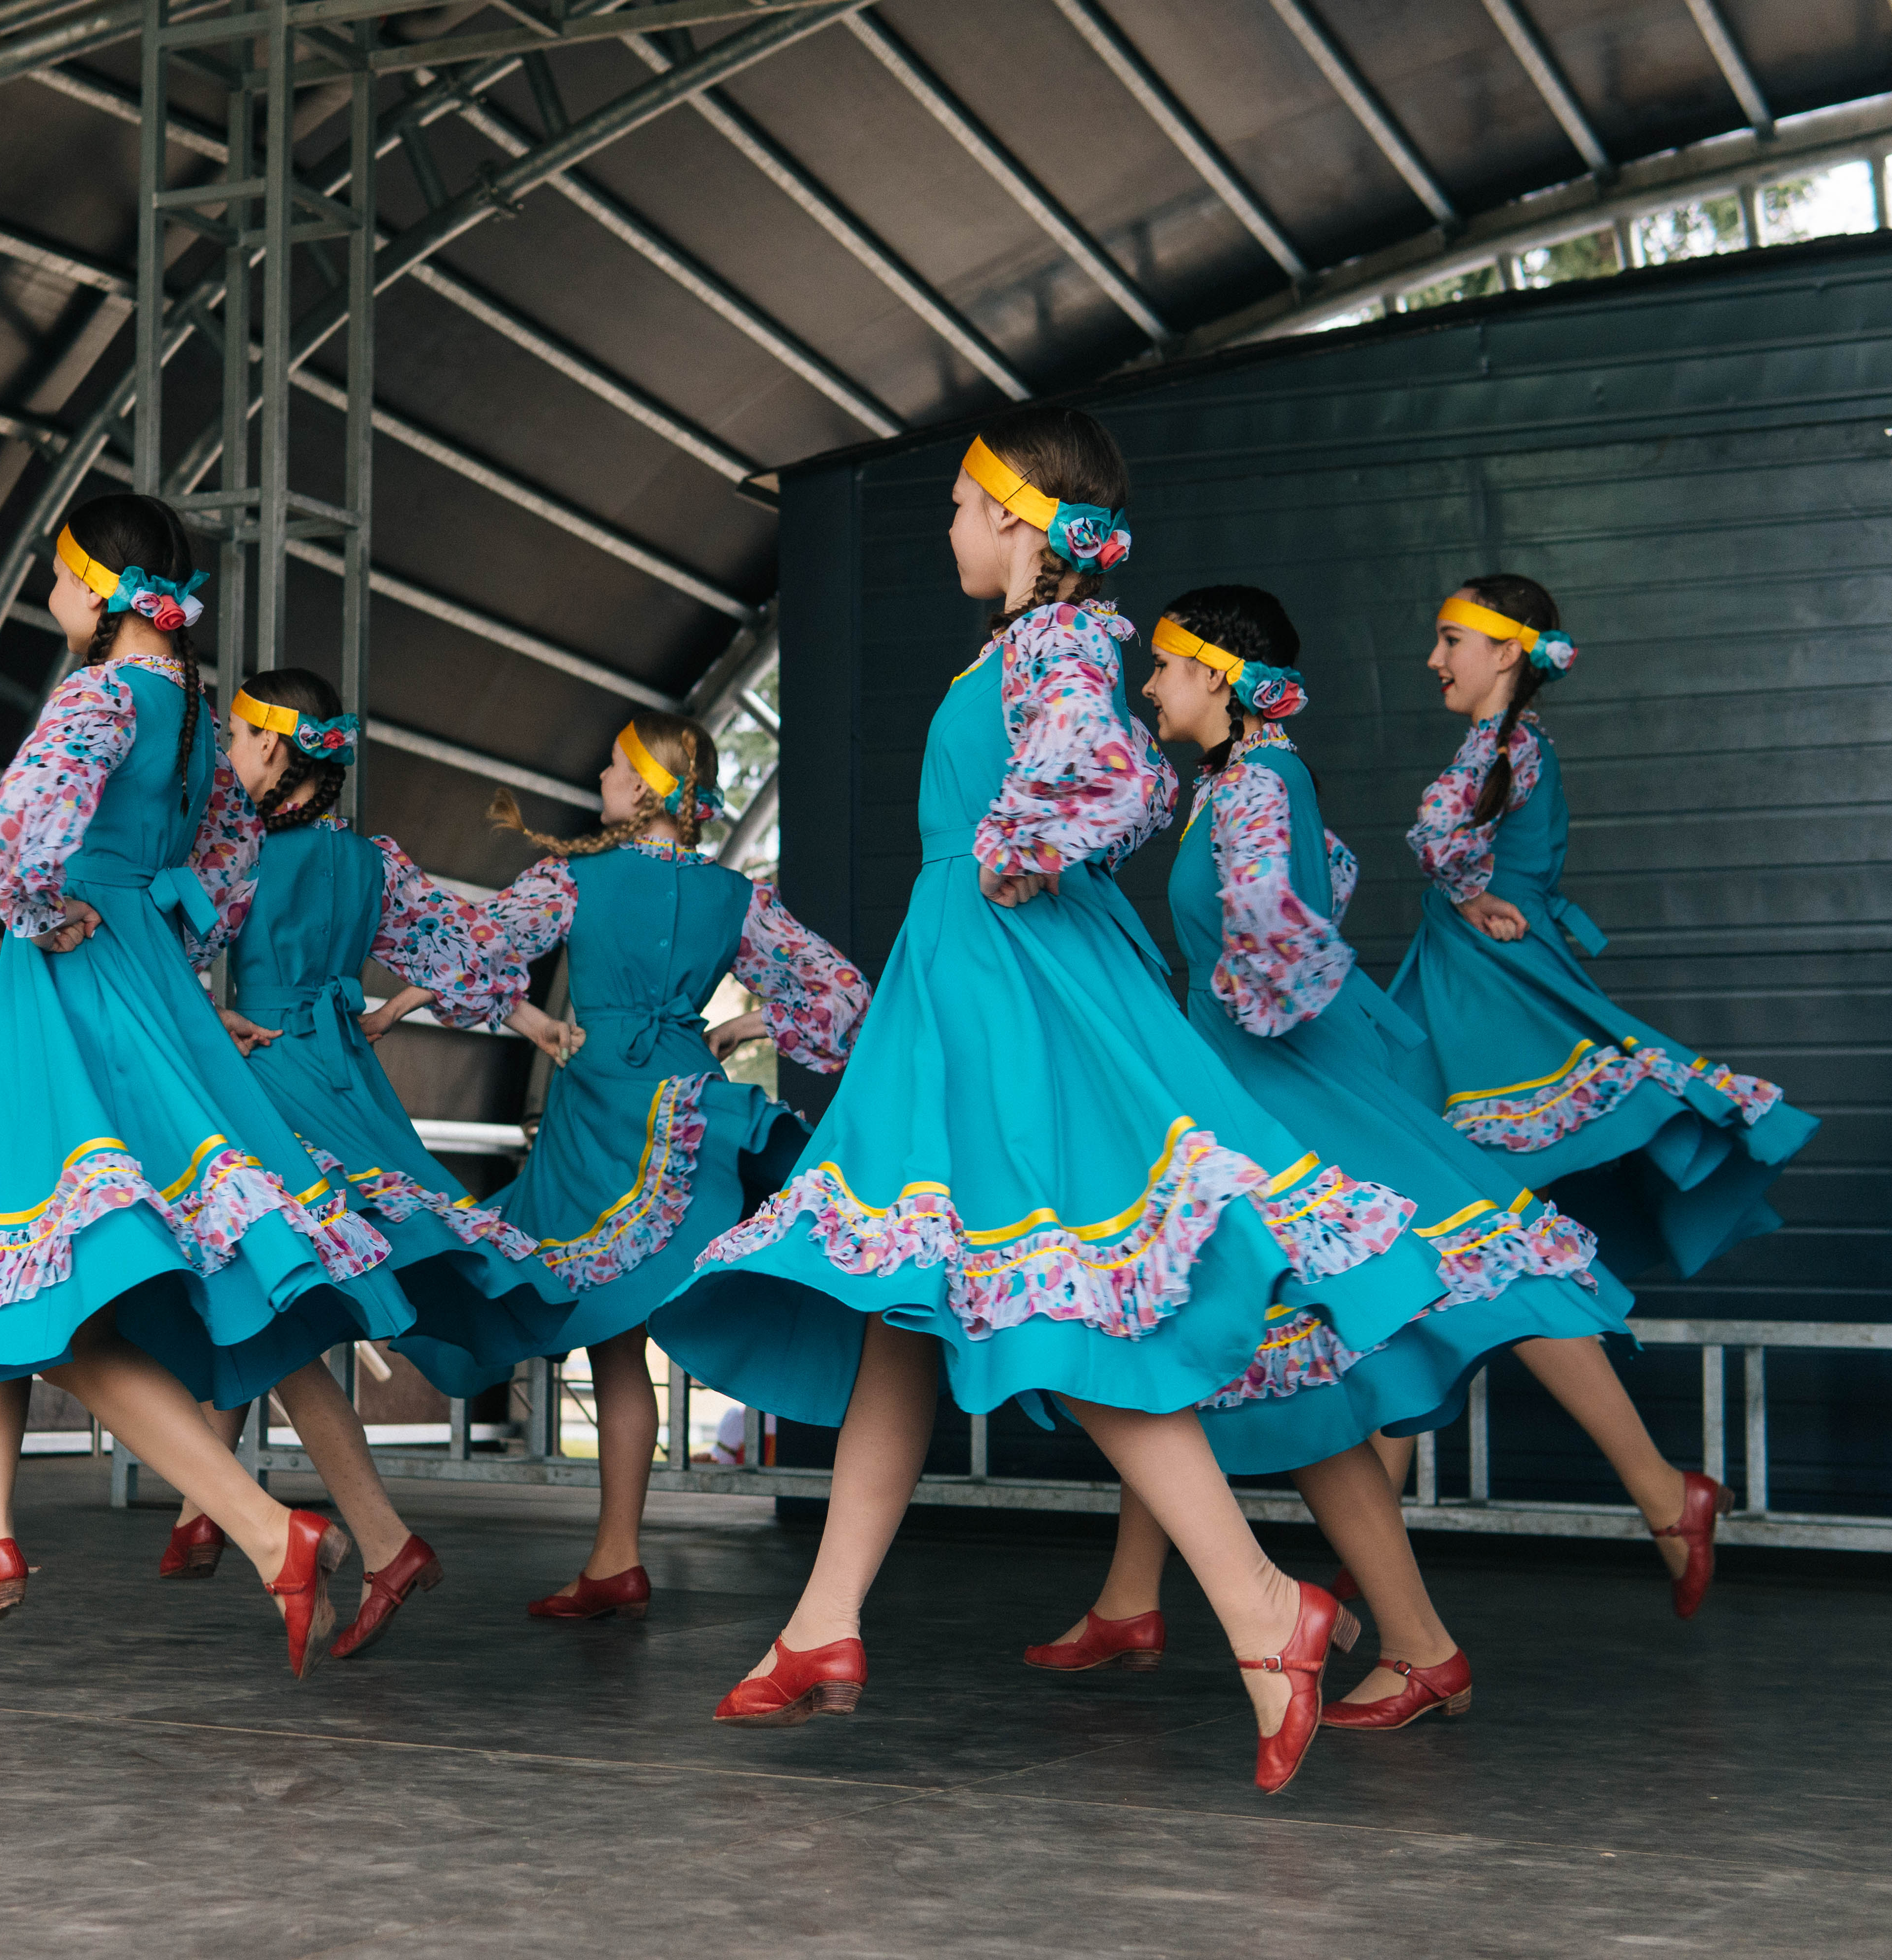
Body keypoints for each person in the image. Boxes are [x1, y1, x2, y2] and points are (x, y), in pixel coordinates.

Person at [651, 407, 1447, 1794]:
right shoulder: (1025, 646)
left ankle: (1265, 1605)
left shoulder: (1059, 640)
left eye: (964, 505)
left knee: (1050, 1298)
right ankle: (824, 1621)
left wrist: (1022, 842)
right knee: (909, 1297)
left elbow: (1114, 772)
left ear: (1020, 518)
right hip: (968, 980)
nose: (952, 527)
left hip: (1007, 983)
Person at [0, 494, 409, 1677]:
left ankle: (263, 1529)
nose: (50, 588)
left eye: (59, 570)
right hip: (137, 974)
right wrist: (161, 949)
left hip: (71, 981)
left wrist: (49, 911)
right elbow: (226, 864)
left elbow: (23, 837)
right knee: (3, 1245)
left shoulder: (99, 695)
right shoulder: (191, 713)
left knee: (39, 1267)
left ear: (97, 588)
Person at [1030, 585, 1631, 1731]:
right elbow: (1326, 882)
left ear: (1217, 674)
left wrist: (1222, 1016)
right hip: (1242, 1097)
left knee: (1256, 1364)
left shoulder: (1258, 785)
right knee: (1284, 1377)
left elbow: (1279, 936)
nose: (1148, 686)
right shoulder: (1248, 783)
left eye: (1164, 666)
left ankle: (1366, 1633)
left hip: (1261, 1106)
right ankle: (1383, 1637)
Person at [1379, 573, 1818, 1615]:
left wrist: (1469, 890)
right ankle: (1387, 1539)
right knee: (1421, 1248)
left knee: (1457, 1240)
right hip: (1469, 991)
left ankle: (1655, 1492)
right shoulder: (1507, 745)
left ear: (1507, 652)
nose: (1435, 660)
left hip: (1495, 1004)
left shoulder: (1506, 746)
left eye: (1451, 640)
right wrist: (1470, 894)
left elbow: (1439, 840)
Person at [152, 663, 572, 1661]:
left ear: (274, 748)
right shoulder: (373, 864)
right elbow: (472, 958)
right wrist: (413, 1008)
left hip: (265, 1077)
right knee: (274, 1285)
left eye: (239, 736)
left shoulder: (240, 850)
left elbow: (160, 948)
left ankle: (312, 1526)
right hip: (347, 1079)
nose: (227, 753)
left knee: (266, 1282)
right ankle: (208, 1509)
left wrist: (212, 1013)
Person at [466, 715, 870, 1624]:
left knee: (611, 1339)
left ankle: (617, 1557)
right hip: (684, 1110)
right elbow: (844, 996)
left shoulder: (572, 880)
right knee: (629, 1329)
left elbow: (470, 950)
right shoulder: (737, 898)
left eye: (614, 765)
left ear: (647, 787)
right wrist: (743, 1026)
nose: (600, 778)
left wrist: (531, 1023)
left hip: (599, 1105)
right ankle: (613, 1557)